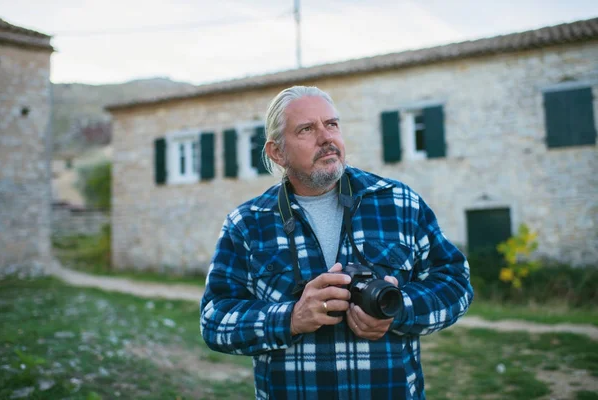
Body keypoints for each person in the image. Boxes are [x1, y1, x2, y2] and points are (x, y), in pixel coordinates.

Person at [200, 86, 473, 399]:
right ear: (277, 152)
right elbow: (214, 319)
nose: (326, 137)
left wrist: (399, 309)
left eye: (331, 124)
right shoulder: (247, 223)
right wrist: (290, 318)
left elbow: (456, 283)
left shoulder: (398, 202)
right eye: (306, 129)